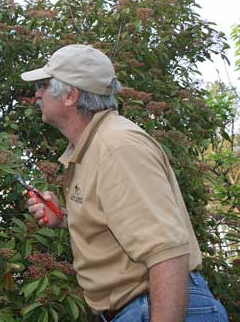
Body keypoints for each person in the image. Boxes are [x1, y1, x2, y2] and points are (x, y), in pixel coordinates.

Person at [21, 44, 228, 322]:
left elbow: (167, 253)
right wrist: (64, 218)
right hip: (142, 308)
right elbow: (125, 224)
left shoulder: (117, 147)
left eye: (44, 85)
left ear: (70, 95)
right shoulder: (96, 146)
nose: (37, 94)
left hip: (157, 308)